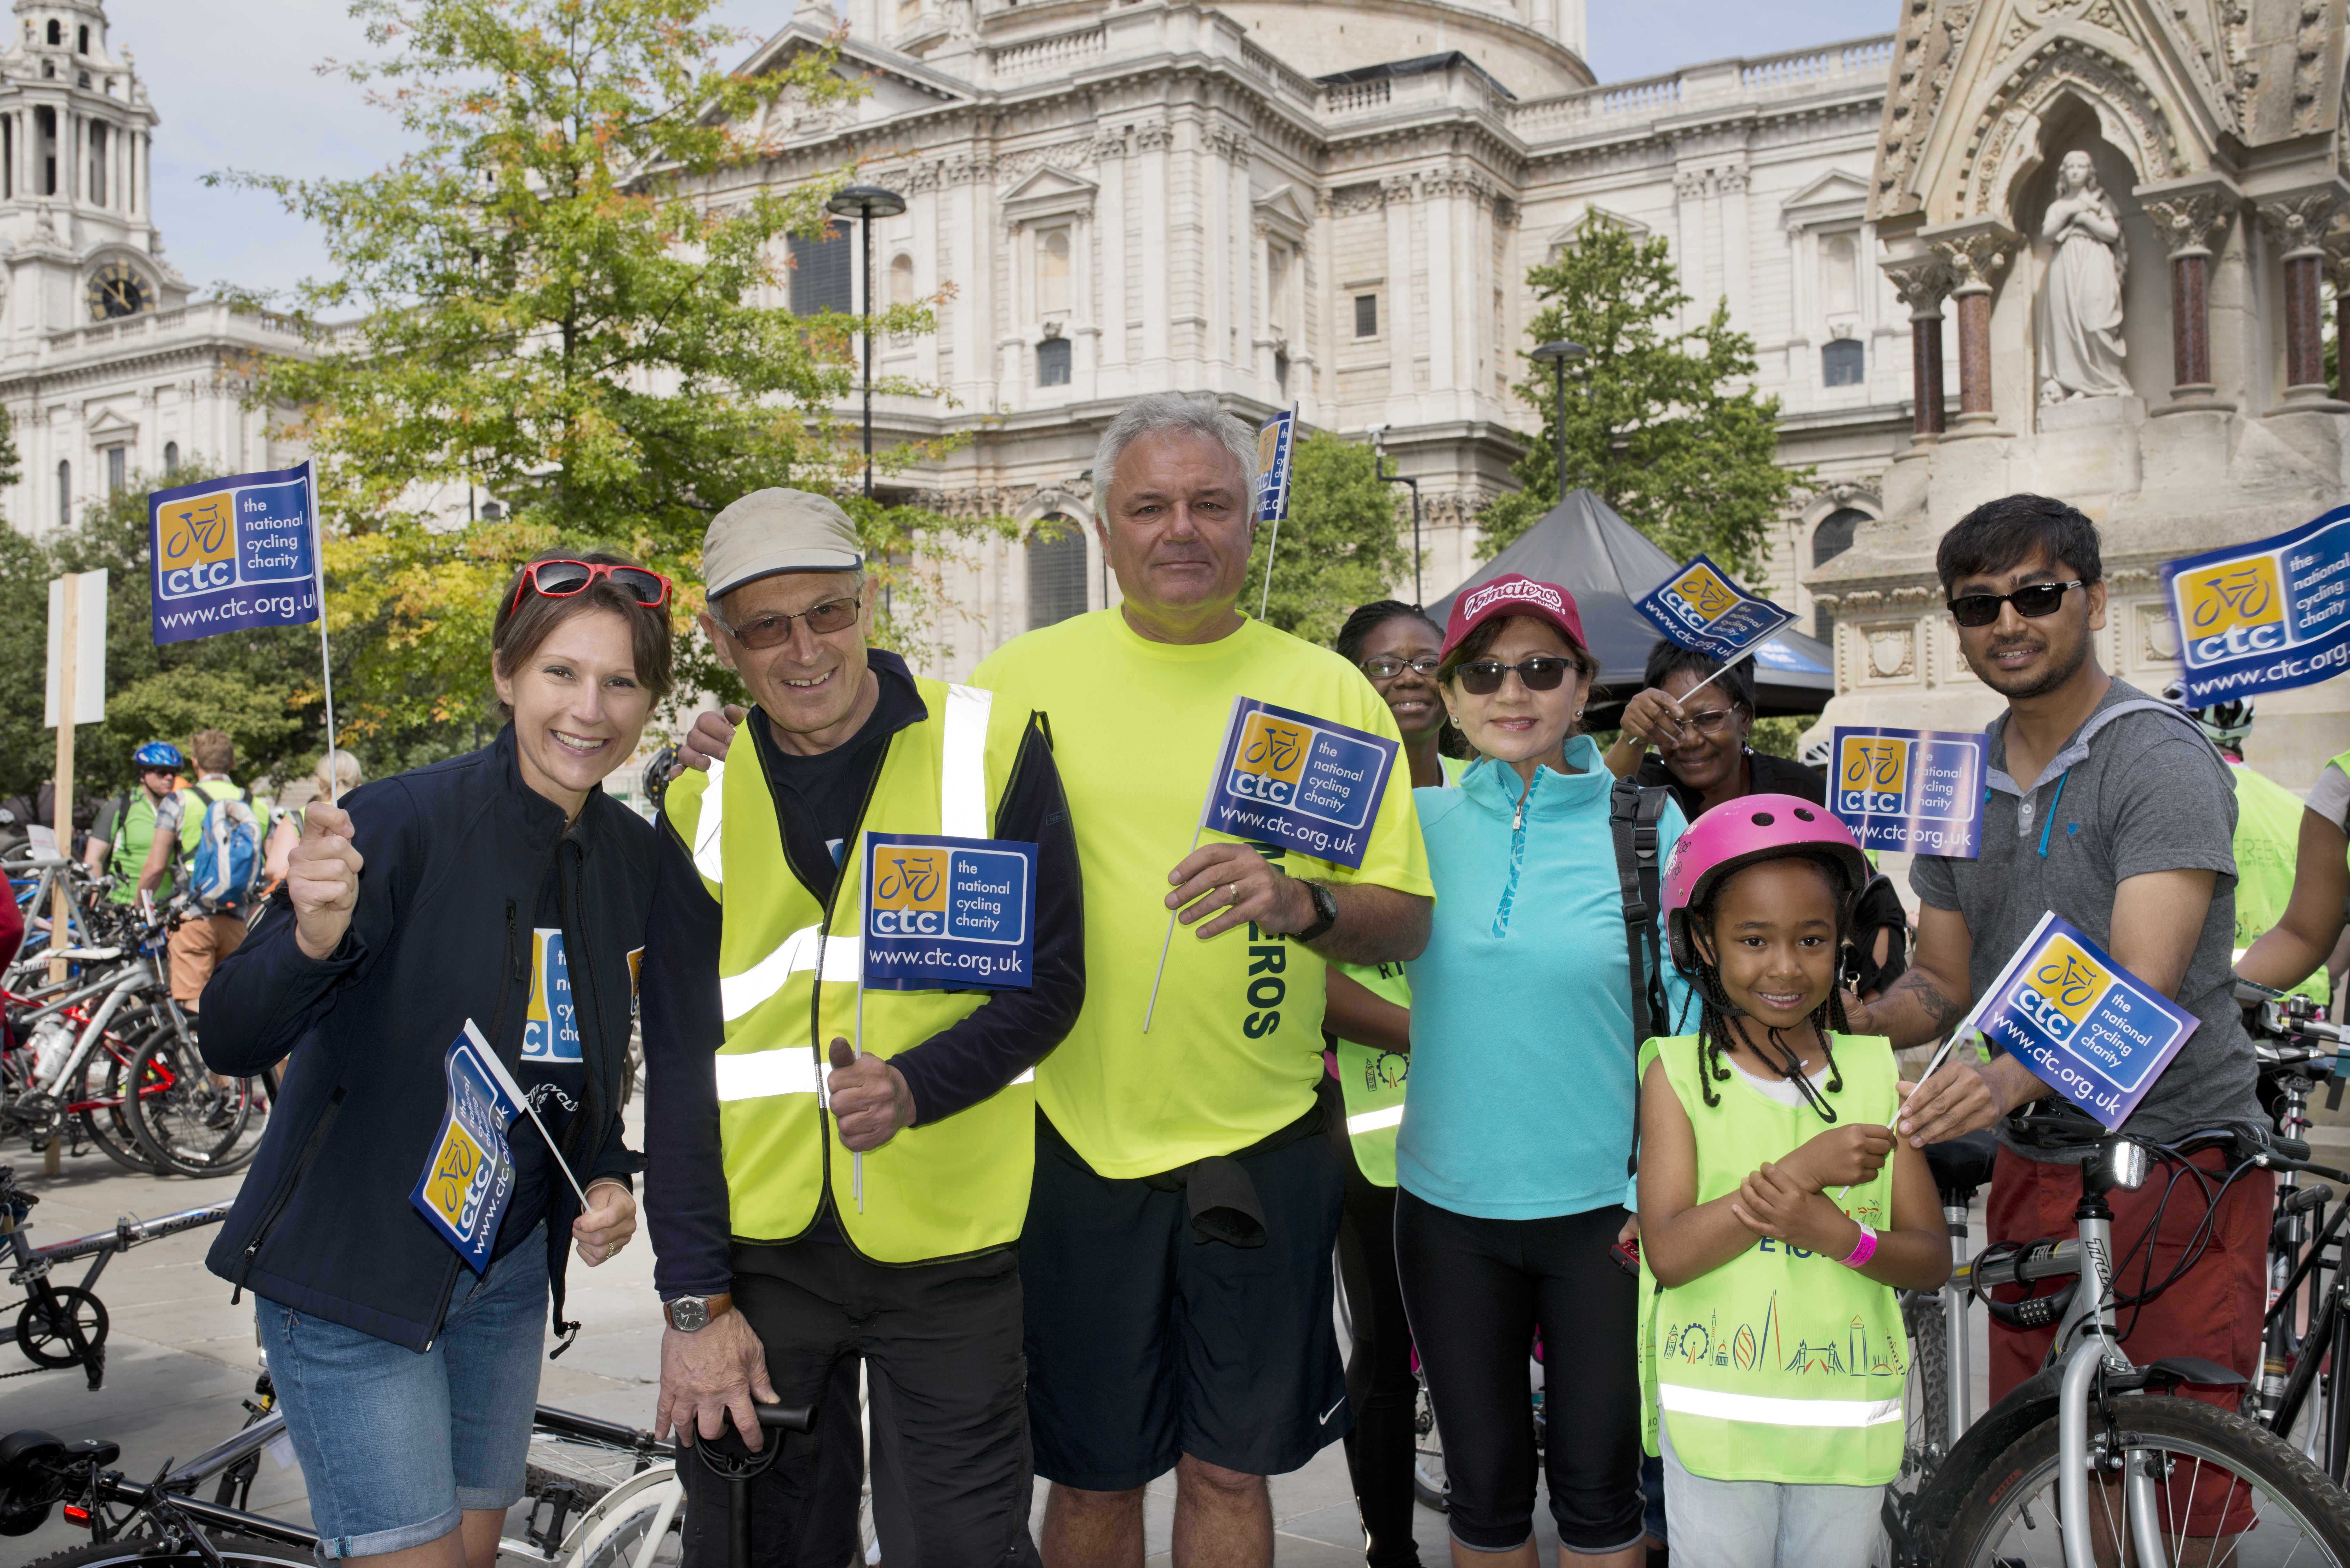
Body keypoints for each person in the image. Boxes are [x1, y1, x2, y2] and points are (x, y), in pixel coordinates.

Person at [678, 394, 1434, 1568]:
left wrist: (1304, 902)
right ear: (1103, 523)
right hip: (1068, 1151)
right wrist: (752, 755)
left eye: (1210, 503)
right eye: (1150, 505)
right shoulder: (1013, 684)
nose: (1181, 528)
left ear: (1245, 518)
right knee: (1091, 1472)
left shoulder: (1326, 689)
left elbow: (1407, 915)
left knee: (1231, 1469)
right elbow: (887, 770)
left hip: (1264, 1137)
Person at [198, 550, 668, 1566]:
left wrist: (605, 1169)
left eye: (620, 680)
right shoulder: (400, 821)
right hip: (355, 1267)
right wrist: (313, 935)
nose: (589, 708)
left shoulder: (634, 854)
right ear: (506, 676)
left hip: (499, 1273)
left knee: (467, 1553)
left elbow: (588, 1053)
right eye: (560, 672)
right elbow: (231, 1033)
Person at [641, 486, 1082, 1565]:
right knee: (761, 1547)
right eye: (766, 626)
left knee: (962, 1552)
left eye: (830, 613)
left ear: (870, 601)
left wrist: (918, 1084)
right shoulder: (699, 804)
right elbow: (684, 1071)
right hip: (765, 1261)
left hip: (949, 1249)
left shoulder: (990, 748)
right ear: (720, 641)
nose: (805, 650)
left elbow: (1052, 984)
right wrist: (695, 1301)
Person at [1854, 496, 2270, 1522]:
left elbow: (2141, 979)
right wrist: (1829, 1018)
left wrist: (1999, 1076)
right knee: (2057, 1459)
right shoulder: (1955, 777)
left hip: (2178, 1158)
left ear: (2090, 598)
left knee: (2181, 1471)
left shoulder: (2157, 755)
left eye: (2036, 594)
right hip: (2038, 1161)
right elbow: (1941, 985)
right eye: (1977, 604)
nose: (2007, 621)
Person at [1395, 573, 1689, 1568]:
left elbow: (1686, 1035)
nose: (1509, 692)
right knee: (1480, 1499)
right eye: (1482, 670)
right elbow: (1329, 959)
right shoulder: (1415, 828)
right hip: (1446, 1212)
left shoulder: (1648, 827)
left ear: (1582, 685)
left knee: (1602, 1496)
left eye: (1537, 668)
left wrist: (1653, 1189)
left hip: (1601, 1220)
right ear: (1447, 691)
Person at [1636, 796, 1947, 1568]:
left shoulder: (1875, 1074)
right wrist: (1799, 1176)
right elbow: (1669, 1253)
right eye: (1753, 939)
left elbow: (1930, 1256)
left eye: (1811, 939)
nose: (1784, 965)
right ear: (1703, 941)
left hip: (1844, 1427)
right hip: (1718, 1431)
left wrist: (1842, 1237)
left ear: (1840, 940)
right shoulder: (1672, 1073)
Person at [1324, 599, 1462, 1568]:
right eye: (1384, 663)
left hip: (1487, 1115)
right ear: (1346, 680)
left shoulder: (1485, 789)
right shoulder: (1325, 806)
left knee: (1477, 1337)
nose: (1407, 676)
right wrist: (1439, 1034)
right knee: (1384, 1348)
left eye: (1425, 659)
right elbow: (1305, 973)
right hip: (1368, 1124)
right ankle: (1390, 1545)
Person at [1604, 642, 1823, 820]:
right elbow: (1593, 814)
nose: (1690, 740)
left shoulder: (1801, 795)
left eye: (1709, 719)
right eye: (1671, 721)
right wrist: (1629, 739)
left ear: (1746, 717)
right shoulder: (1643, 788)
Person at [137, 728, 255, 1013]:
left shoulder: (178, 802)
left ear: (194, 763)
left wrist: (139, 908)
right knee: (235, 1007)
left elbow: (155, 868)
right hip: (239, 921)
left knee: (193, 1005)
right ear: (232, 764)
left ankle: (197, 1058)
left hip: (191, 918)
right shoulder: (254, 804)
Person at [84, 741, 187, 904]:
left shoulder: (179, 809)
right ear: (142, 773)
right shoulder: (121, 807)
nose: (169, 778)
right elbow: (93, 860)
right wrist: (95, 903)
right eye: (162, 772)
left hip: (165, 909)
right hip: (122, 907)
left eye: (173, 773)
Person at [265, 750, 365, 891]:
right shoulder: (370, 814)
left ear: (320, 783)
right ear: (357, 780)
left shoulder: (298, 818)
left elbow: (275, 870)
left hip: (313, 905)